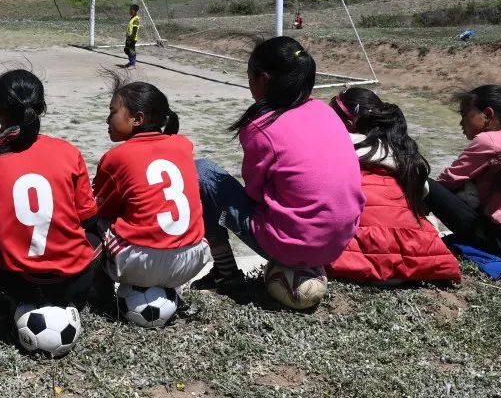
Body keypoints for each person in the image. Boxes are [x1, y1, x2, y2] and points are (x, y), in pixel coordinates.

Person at [194, 37, 365, 288]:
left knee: (201, 170)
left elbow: (255, 192)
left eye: (250, 77)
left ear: (263, 78)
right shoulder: (326, 112)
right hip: (338, 244)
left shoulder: (260, 127)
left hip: (290, 246)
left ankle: (225, 271)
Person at [0, 69, 101, 324]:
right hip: (73, 281)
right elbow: (87, 217)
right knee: (96, 223)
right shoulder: (68, 152)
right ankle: (101, 292)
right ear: (41, 108)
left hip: (15, 282)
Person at [90, 77, 210, 312]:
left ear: (137, 118)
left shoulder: (116, 157)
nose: (107, 119)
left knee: (89, 224)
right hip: (195, 257)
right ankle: (172, 286)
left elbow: (97, 208)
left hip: (142, 262)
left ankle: (98, 297)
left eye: (113, 112)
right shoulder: (183, 144)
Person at [325, 89, 460, 284]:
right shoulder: (406, 155)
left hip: (354, 264)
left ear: (347, 124)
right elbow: (421, 202)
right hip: (416, 264)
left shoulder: (340, 146)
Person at [426, 85, 501, 257]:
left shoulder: (489, 141)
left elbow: (446, 181)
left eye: (464, 114)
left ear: (488, 115)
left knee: (427, 186)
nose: (461, 123)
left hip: (498, 239)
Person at [121, 4, 140, 69]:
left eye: (131, 10)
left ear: (135, 11)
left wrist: (131, 38)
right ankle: (131, 62)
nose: (129, 11)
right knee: (126, 50)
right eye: (130, 10)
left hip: (132, 38)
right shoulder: (132, 18)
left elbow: (135, 29)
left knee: (131, 50)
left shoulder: (136, 19)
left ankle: (132, 64)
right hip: (129, 37)